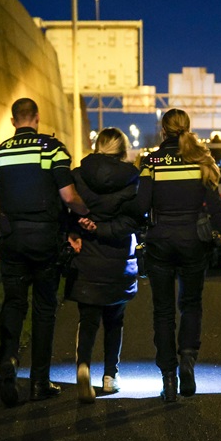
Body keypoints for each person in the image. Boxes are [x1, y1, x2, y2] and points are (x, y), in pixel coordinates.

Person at [0, 98, 92, 406]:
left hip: (9, 237)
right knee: (45, 307)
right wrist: (86, 214)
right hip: (43, 236)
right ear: (36, 118)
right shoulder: (52, 150)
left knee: (13, 302)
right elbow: (68, 195)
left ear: (13, 121)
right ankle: (39, 382)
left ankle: (8, 359)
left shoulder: (1, 152)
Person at [137, 109, 221, 402]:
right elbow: (216, 209)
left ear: (162, 131)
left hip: (160, 242)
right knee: (191, 304)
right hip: (194, 241)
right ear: (187, 128)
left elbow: (141, 204)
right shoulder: (201, 160)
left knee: (163, 311)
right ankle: (187, 364)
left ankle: (168, 376)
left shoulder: (151, 162)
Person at [64, 128, 142, 402]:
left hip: (87, 255)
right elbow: (133, 221)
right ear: (123, 150)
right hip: (118, 257)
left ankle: (83, 366)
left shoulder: (78, 174)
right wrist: (104, 228)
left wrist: (79, 227)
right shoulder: (133, 179)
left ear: (97, 147)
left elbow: (67, 208)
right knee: (114, 320)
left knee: (88, 319)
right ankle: (110, 376)